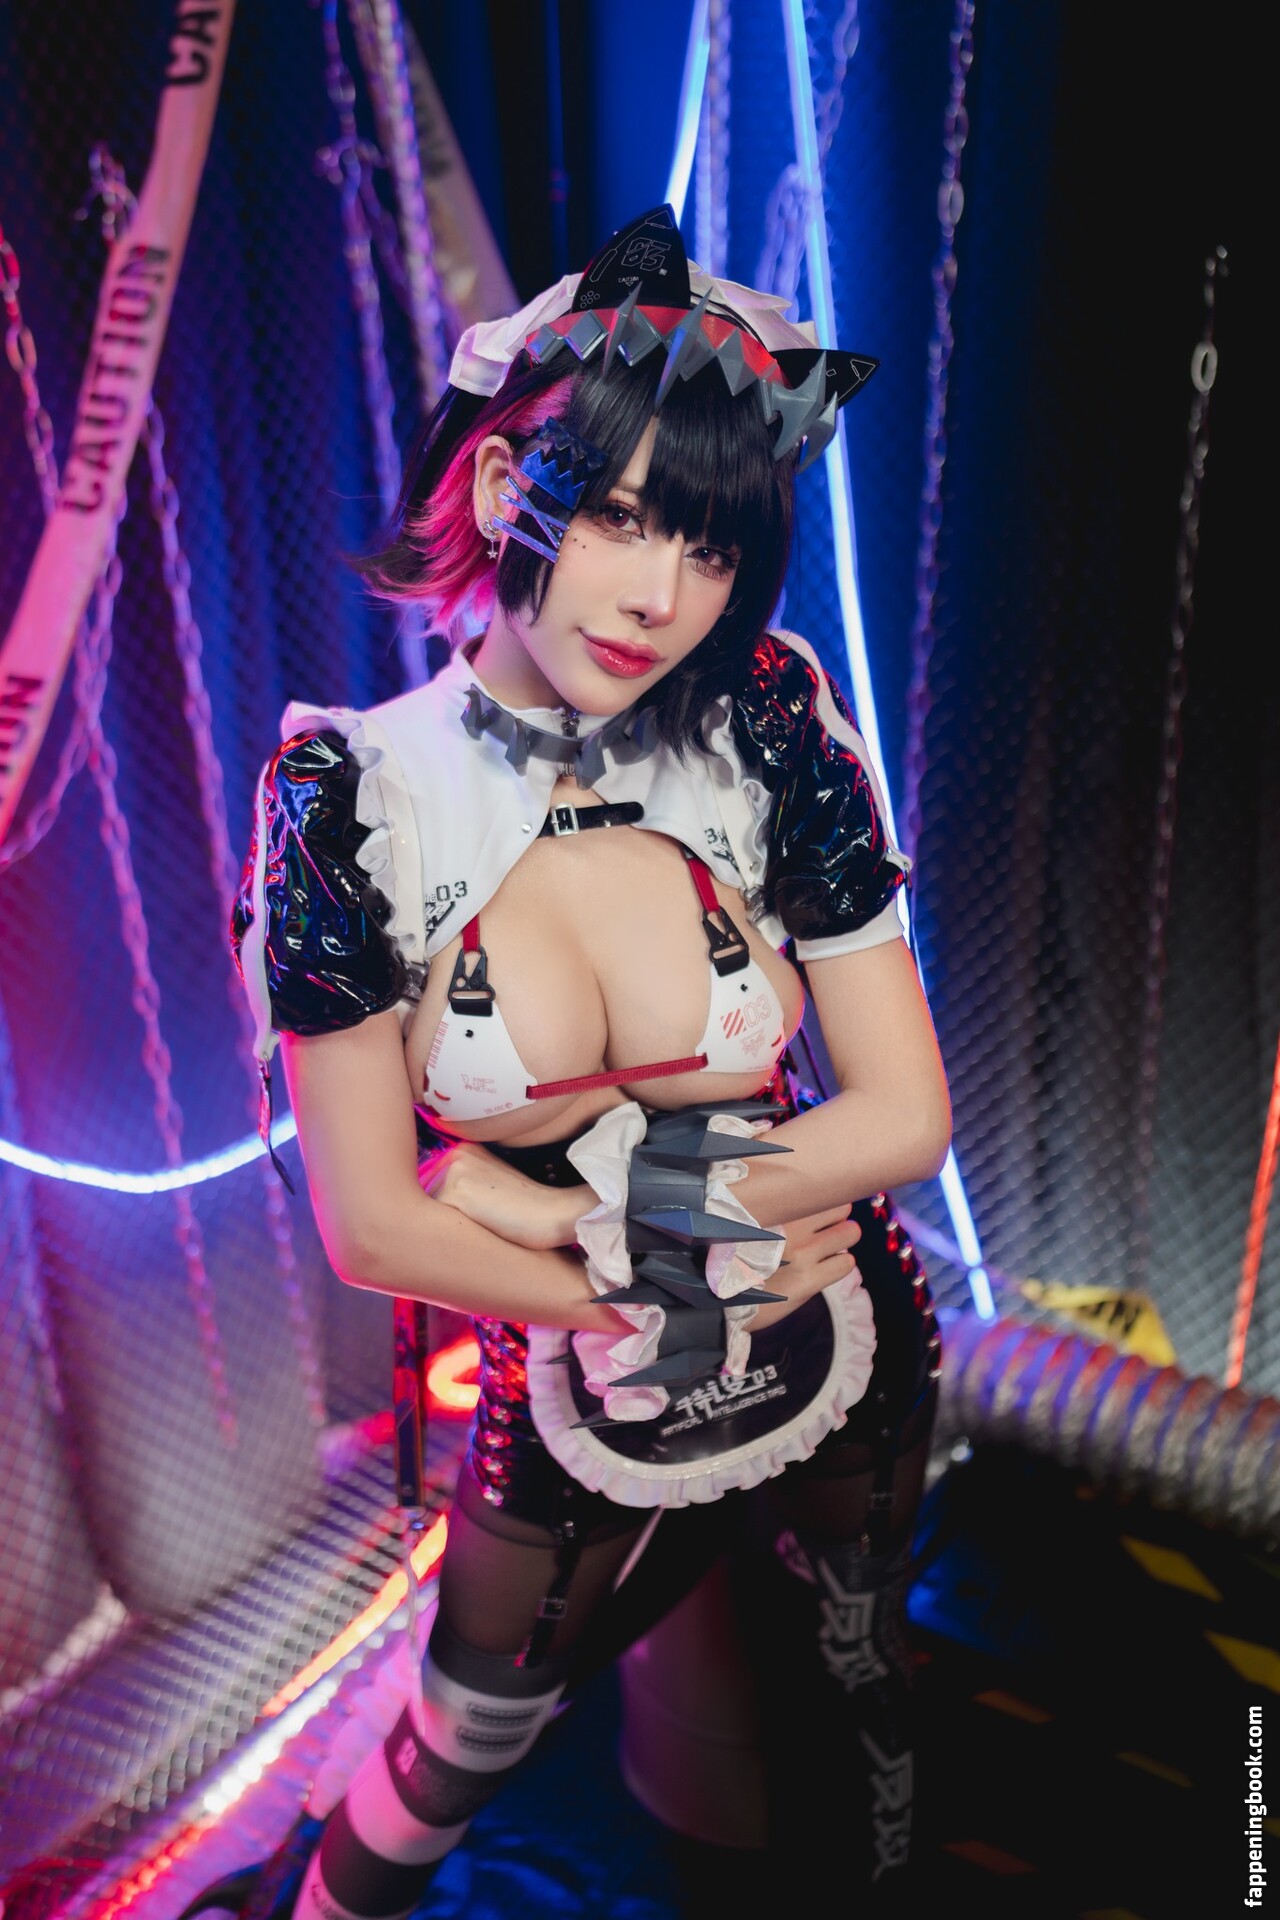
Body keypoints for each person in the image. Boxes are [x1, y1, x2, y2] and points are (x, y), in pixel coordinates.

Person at [215, 204, 950, 1917]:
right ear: (501, 489)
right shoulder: (349, 800)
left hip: (835, 1317)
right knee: (469, 1730)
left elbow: (905, 1118)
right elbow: (373, 1229)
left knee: (860, 1674)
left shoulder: (767, 715)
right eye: (620, 516)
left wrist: (571, 1206)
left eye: (709, 545)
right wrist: (625, 1269)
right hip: (567, 1359)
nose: (660, 595)